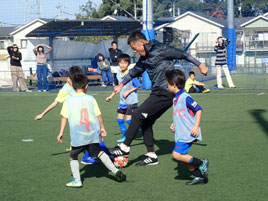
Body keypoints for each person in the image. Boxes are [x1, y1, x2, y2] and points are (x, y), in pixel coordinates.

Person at [108, 31, 208, 166]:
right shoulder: (143, 59)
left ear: (142, 43)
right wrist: (121, 85)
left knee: (137, 114)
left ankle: (124, 147)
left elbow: (184, 54)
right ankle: (152, 155)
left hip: (166, 92)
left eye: (134, 48)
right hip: (157, 92)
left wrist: (200, 65)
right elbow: (133, 72)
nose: (135, 51)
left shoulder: (161, 49)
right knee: (146, 121)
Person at [57, 74, 126, 187]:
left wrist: (61, 132)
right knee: (99, 152)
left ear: (73, 87)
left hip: (78, 135)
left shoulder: (68, 101)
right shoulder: (91, 99)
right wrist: (102, 128)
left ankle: (77, 180)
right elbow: (98, 115)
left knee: (73, 156)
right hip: (92, 134)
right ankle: (114, 171)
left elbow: (64, 117)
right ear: (86, 86)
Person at [34, 66, 100, 165]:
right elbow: (55, 103)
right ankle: (87, 157)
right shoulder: (64, 90)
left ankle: (95, 154)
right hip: (75, 119)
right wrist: (42, 114)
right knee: (87, 137)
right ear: (69, 79)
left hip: (84, 115)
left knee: (91, 135)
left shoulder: (76, 86)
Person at [166, 69, 209, 185]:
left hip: (187, 133)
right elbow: (180, 114)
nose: (167, 86)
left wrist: (196, 127)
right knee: (183, 157)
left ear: (174, 85)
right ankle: (199, 177)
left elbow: (199, 109)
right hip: (180, 133)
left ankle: (201, 163)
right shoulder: (175, 98)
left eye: (168, 84)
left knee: (176, 155)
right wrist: (174, 124)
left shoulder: (185, 97)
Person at [106, 54, 141, 143]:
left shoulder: (131, 74)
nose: (122, 65)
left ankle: (142, 127)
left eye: (125, 63)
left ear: (128, 64)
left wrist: (128, 91)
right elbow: (118, 87)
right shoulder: (118, 75)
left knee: (129, 120)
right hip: (122, 101)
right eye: (120, 63)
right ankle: (125, 136)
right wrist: (111, 96)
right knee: (119, 119)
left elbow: (137, 85)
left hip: (131, 101)